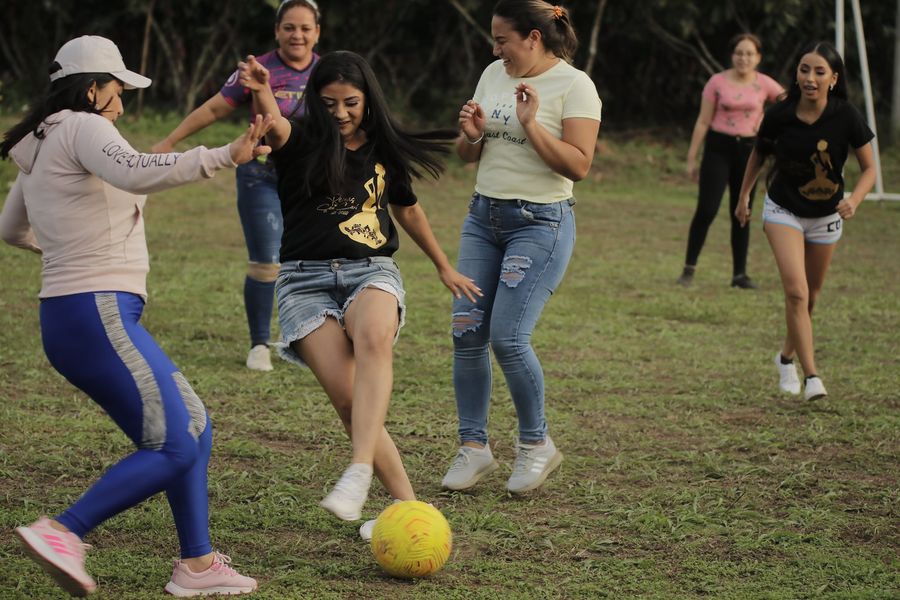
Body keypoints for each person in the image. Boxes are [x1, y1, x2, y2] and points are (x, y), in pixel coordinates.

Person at [0, 35, 267, 596]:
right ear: (90, 89)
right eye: (117, 90)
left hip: (70, 318)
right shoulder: (82, 126)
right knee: (175, 442)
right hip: (96, 311)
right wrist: (224, 154)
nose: (121, 105)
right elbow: (138, 171)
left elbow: (11, 229)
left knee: (194, 428)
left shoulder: (41, 142)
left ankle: (197, 565)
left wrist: (66, 249)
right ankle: (62, 531)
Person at [237, 51, 481, 538]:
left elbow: (407, 210)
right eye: (329, 103)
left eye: (351, 102)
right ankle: (411, 509)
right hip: (303, 282)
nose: (341, 113)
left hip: (370, 270)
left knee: (374, 339)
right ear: (316, 100)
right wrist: (261, 89)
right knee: (350, 404)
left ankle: (359, 468)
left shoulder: (383, 148)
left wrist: (443, 265)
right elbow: (275, 124)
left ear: (367, 99)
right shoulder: (300, 137)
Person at [441, 0, 601, 494]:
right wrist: (471, 136)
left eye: (502, 40)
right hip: (483, 218)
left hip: (540, 223)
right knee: (466, 331)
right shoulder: (494, 74)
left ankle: (537, 445)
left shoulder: (575, 85)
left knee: (508, 338)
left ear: (533, 37)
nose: (496, 50)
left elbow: (578, 166)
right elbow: (470, 153)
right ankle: (473, 448)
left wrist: (531, 124)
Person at [153, 0, 322, 372]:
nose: (297, 35)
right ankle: (259, 344)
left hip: (311, 180)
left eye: (305, 28)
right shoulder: (256, 70)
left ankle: (308, 341)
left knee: (312, 262)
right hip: (261, 176)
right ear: (276, 31)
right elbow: (215, 108)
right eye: (289, 27)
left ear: (317, 33)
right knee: (266, 261)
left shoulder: (327, 73)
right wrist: (169, 141)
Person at [735, 41, 875, 401]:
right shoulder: (780, 114)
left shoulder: (846, 116)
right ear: (796, 74)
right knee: (796, 292)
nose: (810, 78)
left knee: (809, 298)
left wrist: (854, 200)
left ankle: (785, 358)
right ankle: (812, 376)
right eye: (804, 70)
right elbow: (759, 155)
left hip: (826, 215)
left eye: (819, 71)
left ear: (833, 79)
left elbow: (870, 169)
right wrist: (744, 196)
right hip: (783, 209)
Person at [678, 33, 784, 289]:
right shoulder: (717, 82)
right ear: (731, 55)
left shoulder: (765, 84)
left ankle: (739, 275)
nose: (743, 58)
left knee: (742, 210)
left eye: (749, 54)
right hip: (718, 149)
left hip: (750, 151)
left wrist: (771, 129)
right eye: (739, 53)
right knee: (707, 209)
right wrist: (691, 157)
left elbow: (789, 104)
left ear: (758, 58)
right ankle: (689, 268)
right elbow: (703, 121)